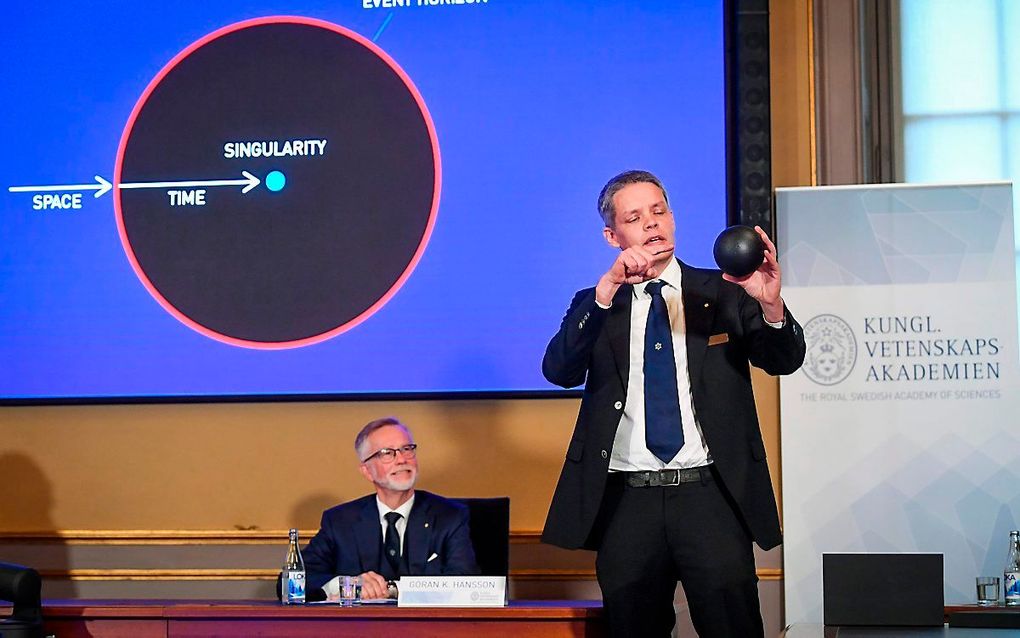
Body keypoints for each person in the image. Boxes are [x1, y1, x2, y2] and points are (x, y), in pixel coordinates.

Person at [541, 170, 806, 637]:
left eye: (659, 211)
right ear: (612, 235)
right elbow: (559, 371)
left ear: (673, 218)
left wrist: (770, 307)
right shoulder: (596, 303)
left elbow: (782, 359)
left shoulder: (724, 289)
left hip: (710, 496)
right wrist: (607, 290)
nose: (651, 224)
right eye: (635, 217)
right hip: (627, 500)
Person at [302, 417, 479, 600]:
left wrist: (394, 589)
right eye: (387, 453)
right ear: (367, 471)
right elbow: (294, 581)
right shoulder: (340, 522)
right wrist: (346, 584)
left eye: (407, 449)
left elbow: (466, 582)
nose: (402, 459)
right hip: (359, 627)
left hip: (429, 626)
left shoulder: (450, 516)